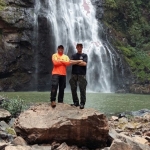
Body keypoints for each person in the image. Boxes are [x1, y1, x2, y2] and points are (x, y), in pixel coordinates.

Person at [69, 43, 88, 109]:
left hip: (82, 74)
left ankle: (82, 103)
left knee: (82, 89)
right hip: (74, 74)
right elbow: (70, 62)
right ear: (76, 47)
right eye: (78, 46)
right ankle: (76, 102)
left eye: (80, 47)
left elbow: (84, 64)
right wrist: (79, 61)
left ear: (82, 47)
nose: (79, 48)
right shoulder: (73, 55)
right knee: (73, 88)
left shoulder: (85, 55)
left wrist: (75, 62)